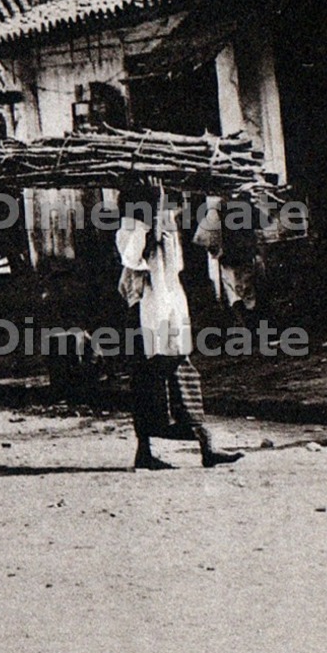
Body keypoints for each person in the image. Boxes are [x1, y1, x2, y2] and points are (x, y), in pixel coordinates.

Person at [116, 184, 242, 471]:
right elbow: (134, 261)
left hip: (169, 308)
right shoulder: (128, 230)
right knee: (147, 382)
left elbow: (175, 267)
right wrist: (151, 230)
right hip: (144, 315)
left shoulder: (166, 228)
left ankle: (204, 444)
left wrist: (164, 228)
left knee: (182, 373)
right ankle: (148, 451)